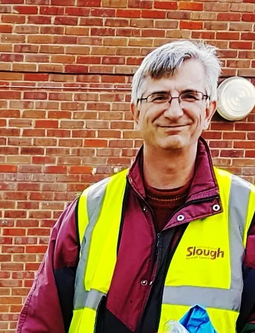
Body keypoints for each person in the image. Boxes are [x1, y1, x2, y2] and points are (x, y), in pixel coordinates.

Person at [17, 40, 255, 333]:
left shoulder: (247, 212)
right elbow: (43, 320)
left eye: (190, 95)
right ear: (135, 112)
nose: (174, 110)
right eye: (159, 97)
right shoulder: (88, 208)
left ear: (209, 110)